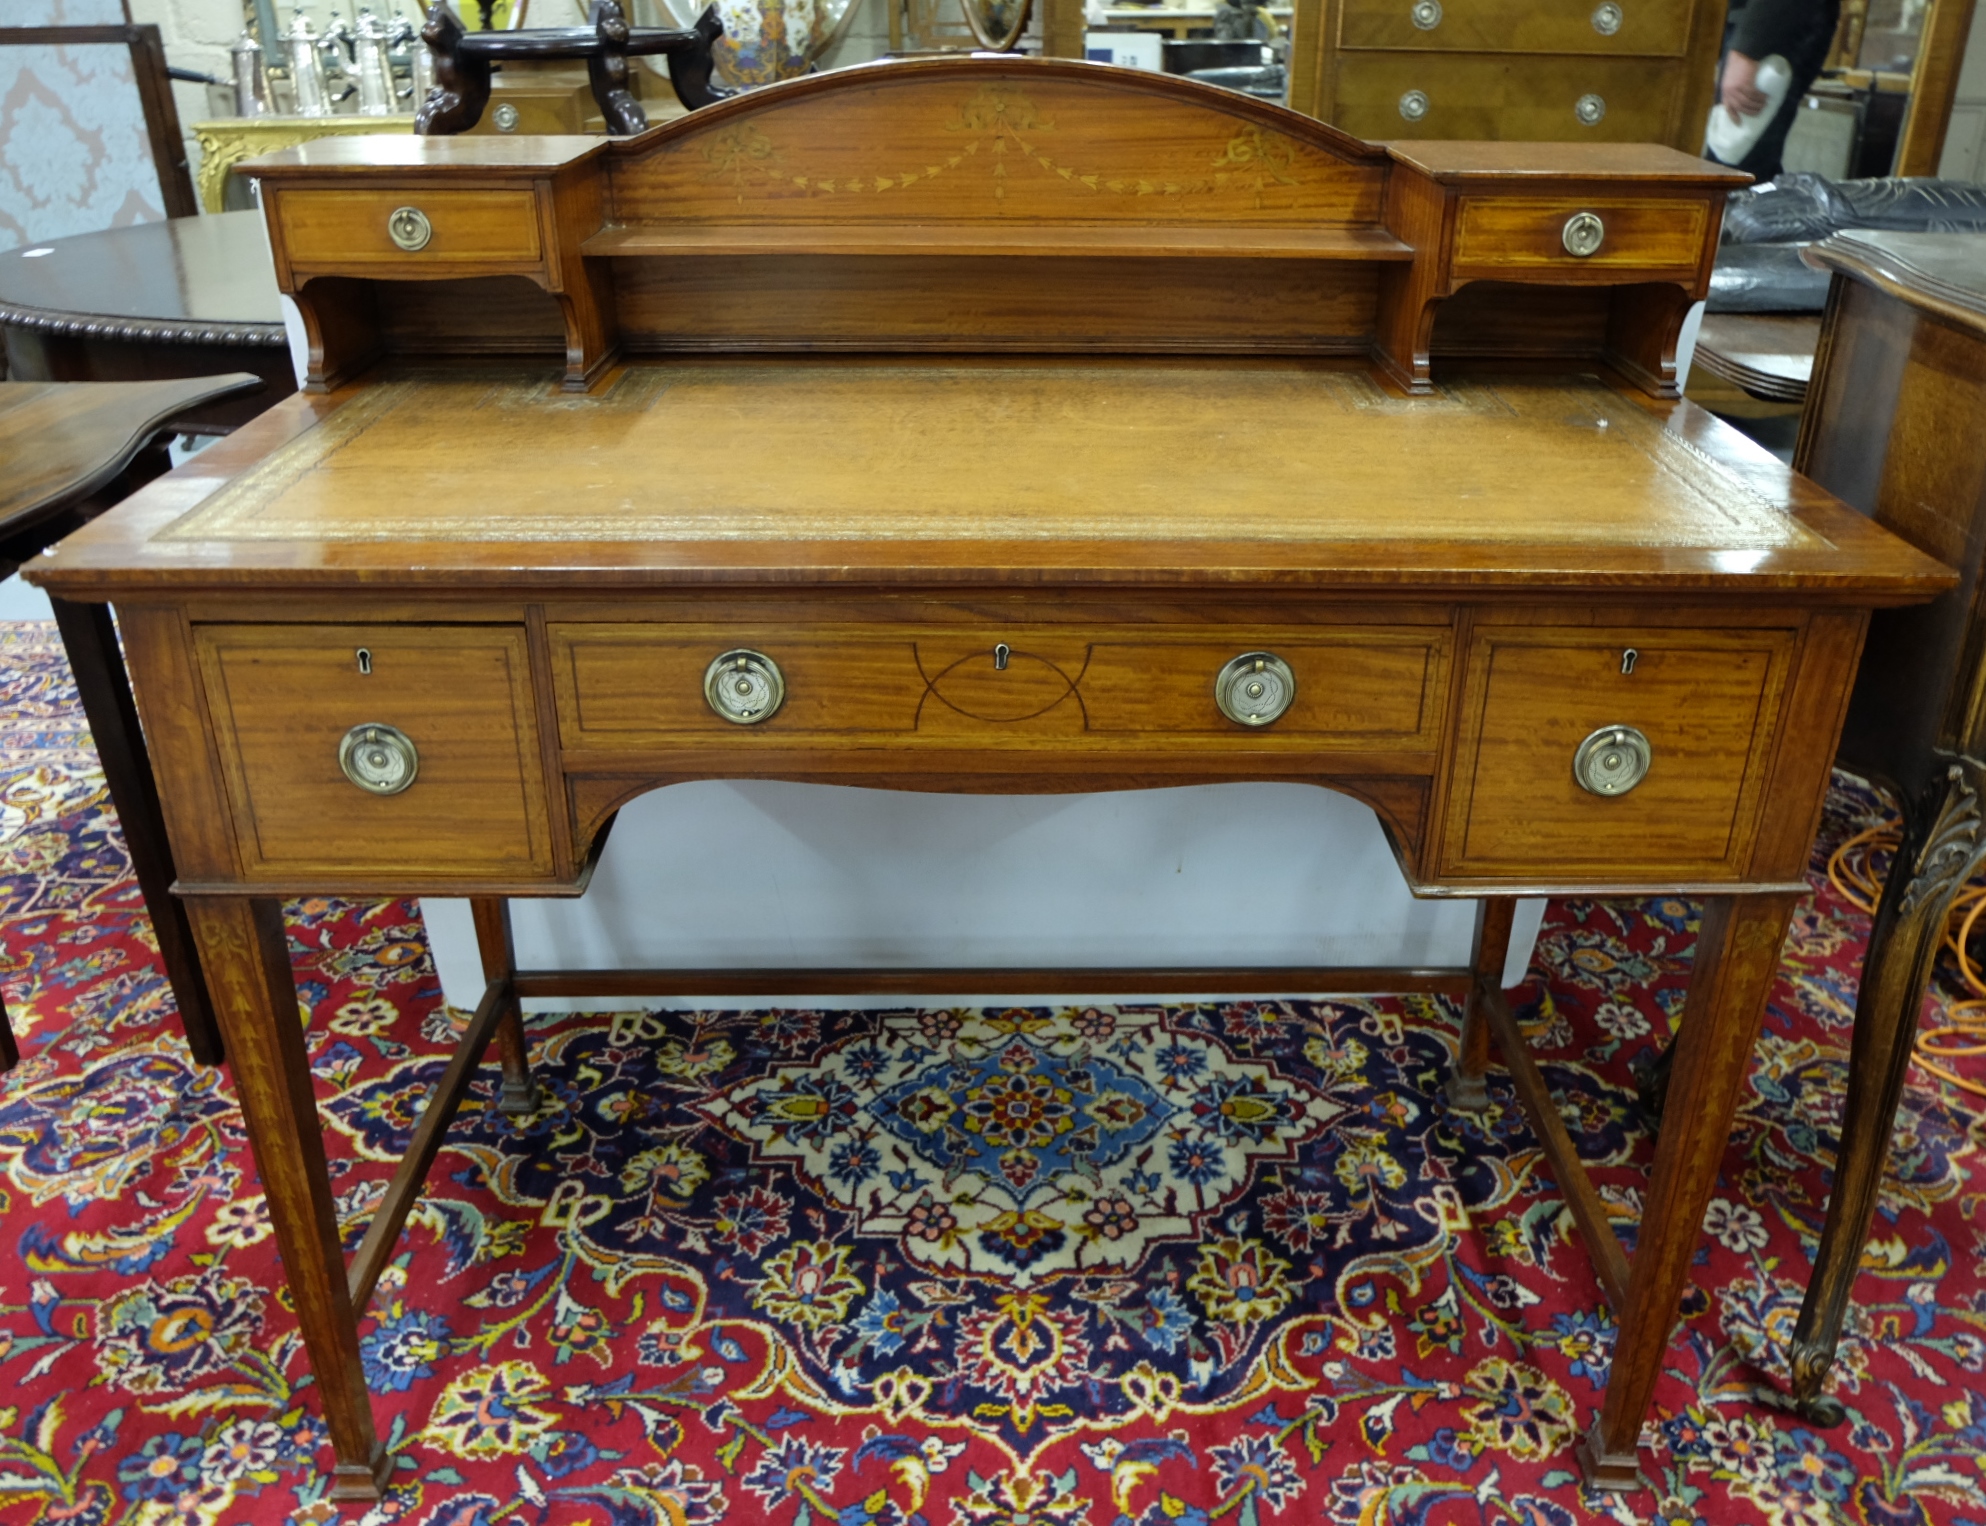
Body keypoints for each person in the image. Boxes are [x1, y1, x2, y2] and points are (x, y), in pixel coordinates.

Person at [1707, 0, 1843, 179]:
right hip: (1755, 26)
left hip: (1771, 26)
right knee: (1728, 174)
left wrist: (1750, 47)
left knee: (1733, 172)